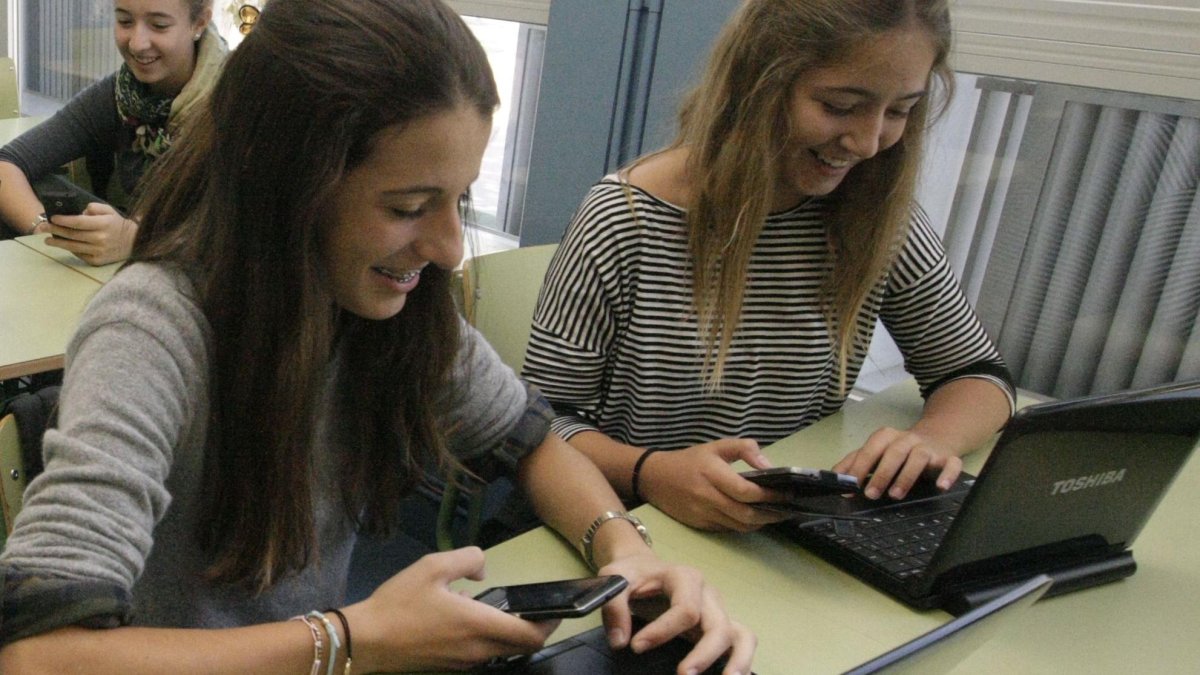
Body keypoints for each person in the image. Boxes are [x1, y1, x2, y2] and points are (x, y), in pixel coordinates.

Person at [0, 1, 755, 673]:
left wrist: (624, 551)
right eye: (408, 206)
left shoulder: (385, 305)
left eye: (458, 199)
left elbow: (532, 440)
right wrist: (348, 638)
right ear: (288, 188)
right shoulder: (152, 330)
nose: (450, 247)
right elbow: (42, 656)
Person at [521, 0, 1016, 533]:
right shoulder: (624, 219)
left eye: (899, 111)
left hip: (782, 529)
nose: (869, 143)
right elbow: (540, 428)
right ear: (757, 84)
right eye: (840, 106)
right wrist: (650, 473)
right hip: (633, 521)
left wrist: (931, 440)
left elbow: (977, 375)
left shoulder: (878, 218)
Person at [0, 0, 226, 265]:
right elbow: (8, 162)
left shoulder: (238, 99)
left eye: (159, 25)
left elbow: (248, 228)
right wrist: (45, 229)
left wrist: (136, 238)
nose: (137, 43)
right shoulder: (120, 93)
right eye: (125, 22)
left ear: (199, 23)